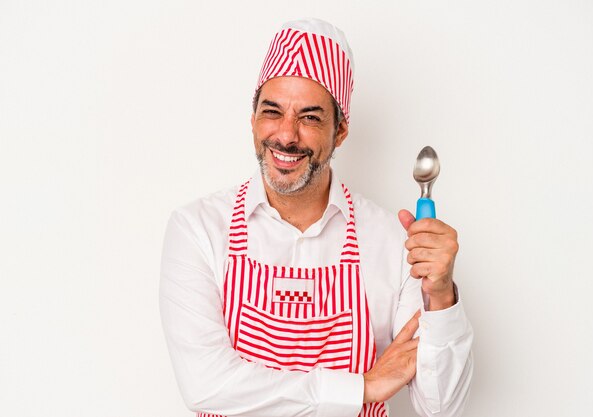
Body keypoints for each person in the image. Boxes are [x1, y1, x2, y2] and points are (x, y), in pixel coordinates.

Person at [160, 18, 473, 417]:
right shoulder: (198, 230)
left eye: (310, 117)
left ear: (340, 131)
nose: (286, 136)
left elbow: (441, 407)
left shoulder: (391, 241)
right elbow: (206, 384)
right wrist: (364, 386)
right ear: (253, 119)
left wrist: (442, 296)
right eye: (272, 111)